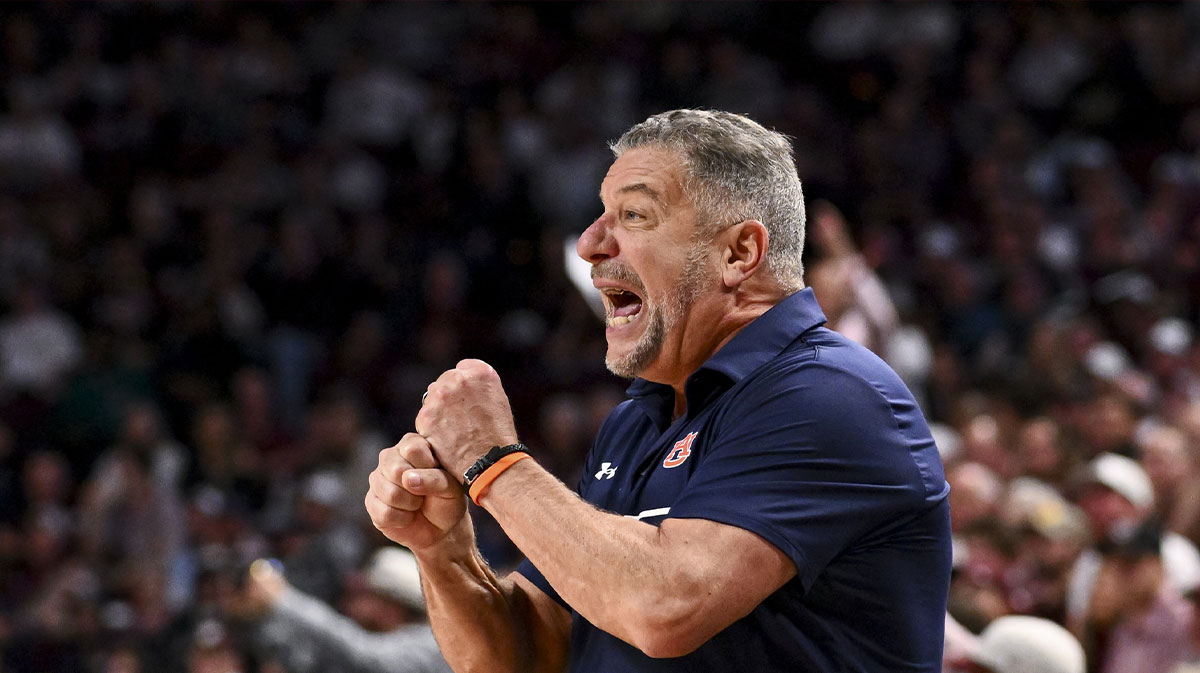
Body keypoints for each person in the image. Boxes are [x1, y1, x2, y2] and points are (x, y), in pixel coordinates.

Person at [365, 109, 952, 672]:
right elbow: (528, 654)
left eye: (635, 216)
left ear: (739, 253)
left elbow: (666, 608)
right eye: (601, 216)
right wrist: (443, 548)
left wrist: (492, 463)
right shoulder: (640, 417)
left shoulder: (832, 395)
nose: (590, 244)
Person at [239, 548, 452, 673]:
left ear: (392, 605)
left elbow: (365, 653)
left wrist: (284, 599)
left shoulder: (432, 642)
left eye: (364, 594)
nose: (353, 601)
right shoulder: (387, 635)